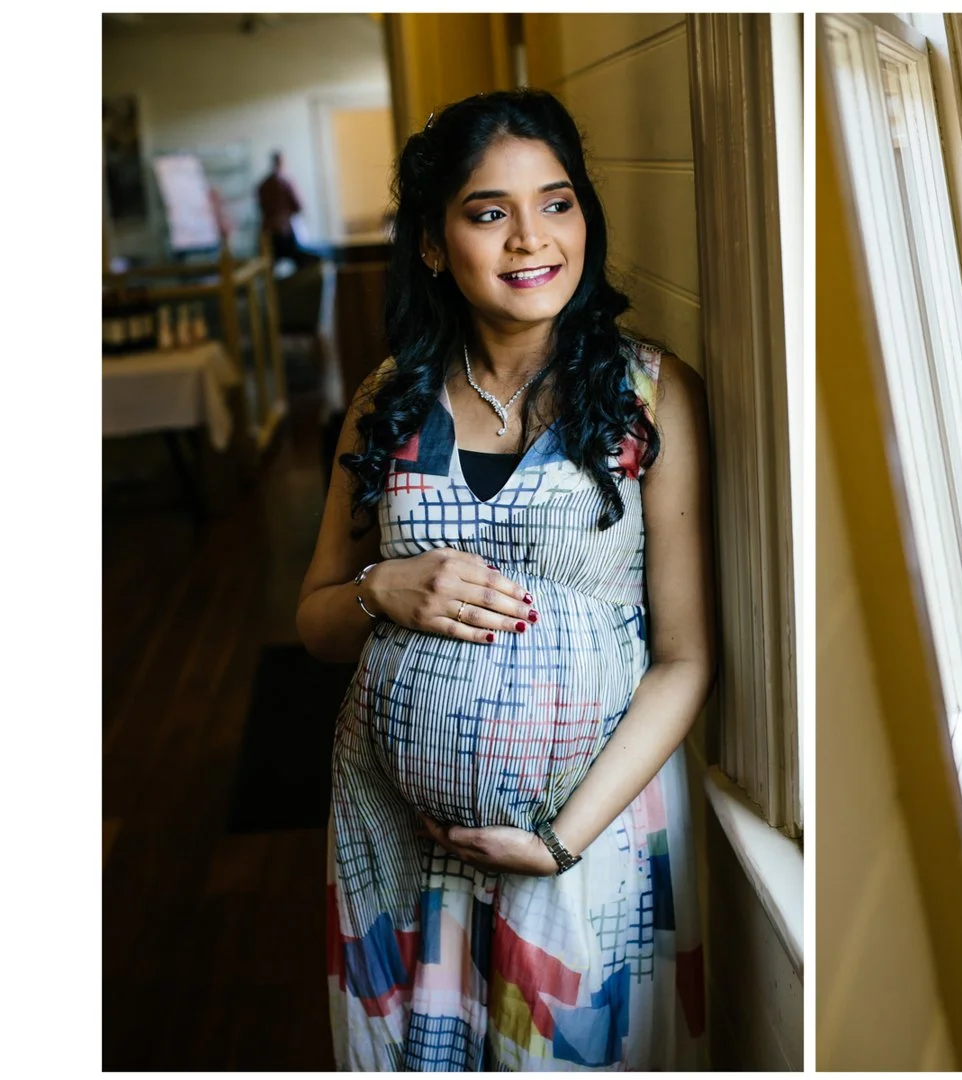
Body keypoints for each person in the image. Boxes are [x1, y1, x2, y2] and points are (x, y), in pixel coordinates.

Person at [295, 89, 714, 1071]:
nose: (532, 238)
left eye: (556, 203)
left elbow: (687, 659)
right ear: (434, 245)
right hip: (392, 839)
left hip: (585, 840)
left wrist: (560, 840)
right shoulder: (386, 404)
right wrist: (379, 591)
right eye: (490, 212)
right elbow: (313, 622)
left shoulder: (651, 395)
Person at [257, 150, 316, 266]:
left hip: (268, 233)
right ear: (282, 162)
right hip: (284, 231)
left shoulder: (263, 185)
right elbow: (298, 206)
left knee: (271, 266)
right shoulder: (285, 183)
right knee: (301, 261)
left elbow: (261, 208)